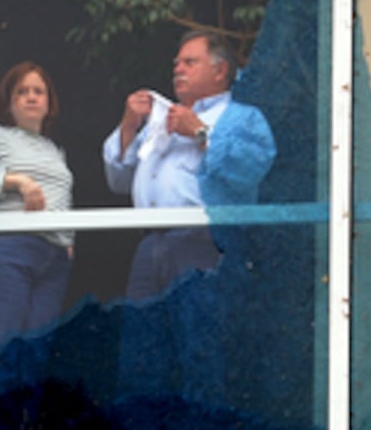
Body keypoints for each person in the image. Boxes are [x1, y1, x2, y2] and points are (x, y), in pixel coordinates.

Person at [102, 30, 276, 299]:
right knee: (143, 337)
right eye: (176, 63)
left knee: (196, 335)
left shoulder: (241, 117)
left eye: (189, 62)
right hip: (150, 245)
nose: (178, 69)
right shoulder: (162, 119)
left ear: (220, 71)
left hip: (205, 243)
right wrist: (129, 126)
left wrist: (200, 133)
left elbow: (251, 169)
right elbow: (118, 181)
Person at [0, 61, 75, 348]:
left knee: (35, 353)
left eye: (39, 91)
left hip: (52, 258)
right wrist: (17, 182)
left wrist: (68, 241)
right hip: (5, 247)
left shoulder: (54, 149)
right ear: (9, 103)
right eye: (22, 92)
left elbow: (61, 195)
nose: (32, 97)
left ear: (49, 103)